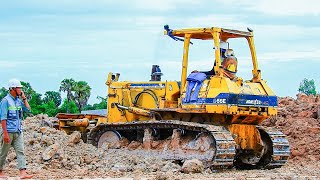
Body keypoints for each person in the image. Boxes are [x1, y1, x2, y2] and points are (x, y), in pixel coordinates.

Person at [0, 79, 33, 179]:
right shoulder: (5, 101)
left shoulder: (18, 101)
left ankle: (23, 173)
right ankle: (0, 172)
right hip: (8, 131)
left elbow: (28, 109)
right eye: (19, 88)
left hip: (18, 131)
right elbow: (3, 118)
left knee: (20, 151)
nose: (21, 90)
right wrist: (5, 133)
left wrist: (24, 98)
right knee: (4, 153)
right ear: (13, 89)